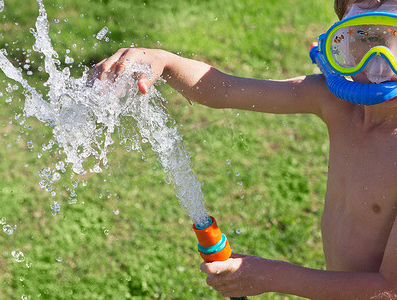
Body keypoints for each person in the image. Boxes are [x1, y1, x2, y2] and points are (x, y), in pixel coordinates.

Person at [89, 0, 397, 298]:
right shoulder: (336, 103)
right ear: (338, 40)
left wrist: (270, 275)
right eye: (366, 36)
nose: (381, 62)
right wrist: (163, 60)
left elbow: (389, 290)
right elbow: (222, 88)